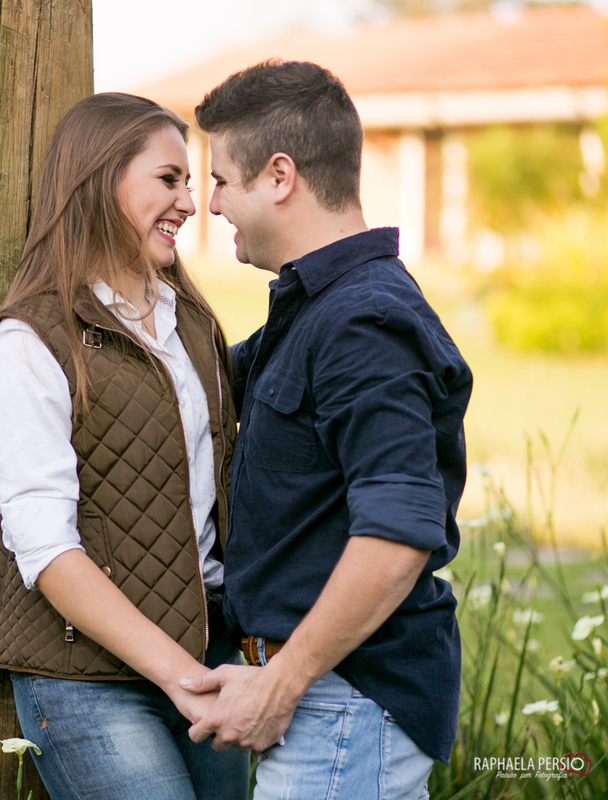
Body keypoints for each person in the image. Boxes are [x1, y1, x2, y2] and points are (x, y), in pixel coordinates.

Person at [179, 60, 472, 800]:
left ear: (280, 175)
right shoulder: (313, 310)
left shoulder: (360, 324)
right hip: (328, 702)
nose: (208, 205)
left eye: (220, 180)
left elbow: (398, 532)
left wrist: (283, 682)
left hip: (344, 701)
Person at [0, 92, 248, 800]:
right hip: (84, 679)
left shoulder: (194, 325)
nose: (190, 201)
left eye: (193, 180)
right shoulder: (27, 344)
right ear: (98, 179)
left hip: (205, 657)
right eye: (169, 178)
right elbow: (47, 550)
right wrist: (181, 677)